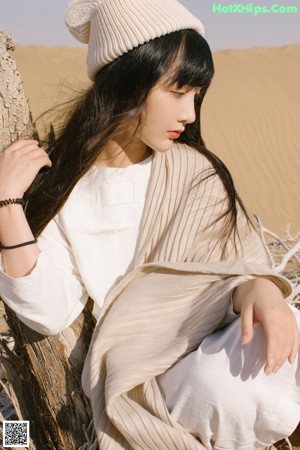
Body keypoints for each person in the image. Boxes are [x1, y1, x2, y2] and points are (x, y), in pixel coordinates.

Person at [0, 0, 299, 448]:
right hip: (148, 375)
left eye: (196, 96)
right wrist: (7, 205)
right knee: (220, 386)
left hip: (220, 339)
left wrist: (257, 287)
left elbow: (239, 266)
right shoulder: (67, 188)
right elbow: (48, 312)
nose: (190, 115)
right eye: (177, 92)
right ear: (128, 82)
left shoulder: (195, 170)